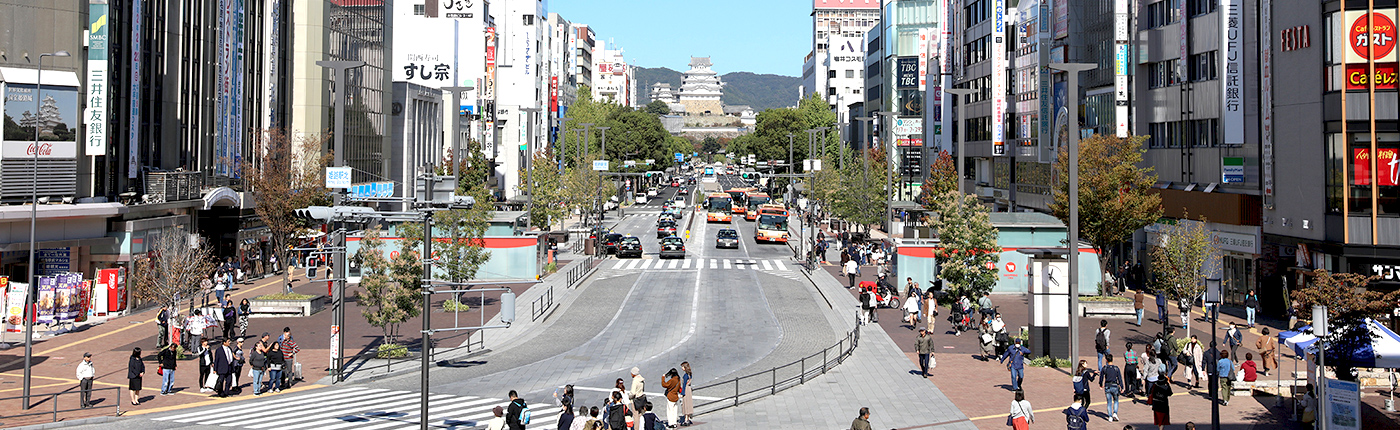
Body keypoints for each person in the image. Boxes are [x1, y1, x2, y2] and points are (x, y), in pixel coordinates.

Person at [1102, 354, 1124, 422]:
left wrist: (1100, 384)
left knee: (1109, 402)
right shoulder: (1116, 368)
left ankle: (1110, 416)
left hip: (1107, 386)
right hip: (1115, 386)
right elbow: (1119, 378)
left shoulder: (1105, 368)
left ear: (1106, 360)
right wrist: (1122, 387)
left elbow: (1101, 377)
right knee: (1116, 400)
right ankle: (1115, 413)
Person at [679, 361, 694, 426]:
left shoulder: (685, 375)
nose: (682, 368)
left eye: (682, 367)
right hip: (689, 389)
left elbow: (684, 385)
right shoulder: (690, 374)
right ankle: (687, 418)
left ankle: (685, 419)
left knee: (685, 404)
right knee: (689, 403)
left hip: (686, 390)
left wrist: (682, 393)